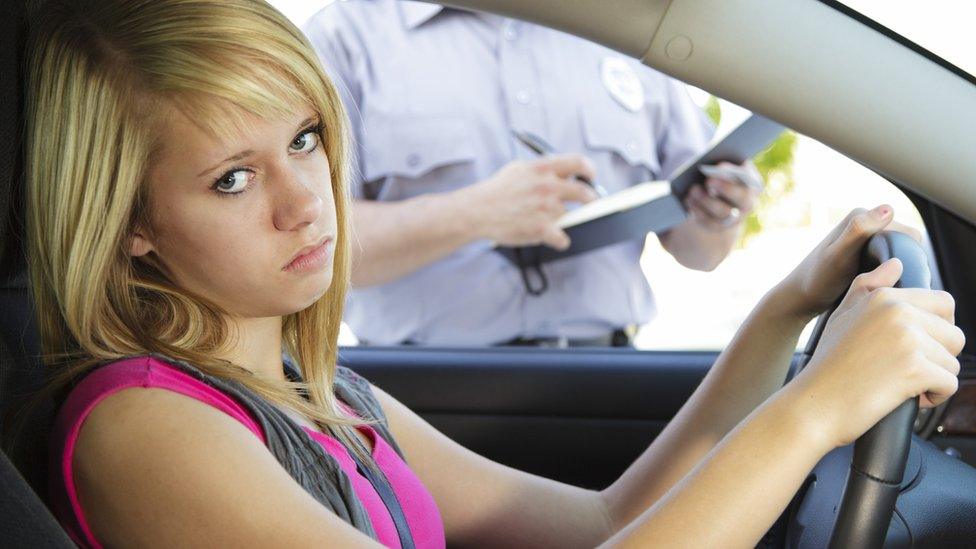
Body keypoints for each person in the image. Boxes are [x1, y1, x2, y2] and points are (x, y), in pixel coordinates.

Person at [25, 0, 964, 547]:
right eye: (232, 179)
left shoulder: (326, 395)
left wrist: (784, 310)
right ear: (133, 222)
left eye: (306, 140)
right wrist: (815, 410)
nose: (306, 200)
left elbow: (610, 519)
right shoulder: (142, 425)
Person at [303, 1, 761, 347]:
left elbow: (701, 254)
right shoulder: (343, 37)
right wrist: (474, 213)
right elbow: (308, 242)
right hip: (425, 398)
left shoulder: (626, 28)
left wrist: (718, 214)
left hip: (609, 384)